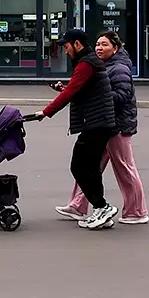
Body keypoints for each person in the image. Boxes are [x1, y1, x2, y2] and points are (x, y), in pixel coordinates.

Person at [57, 31, 148, 224]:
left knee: (124, 168)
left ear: (115, 48)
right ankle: (77, 205)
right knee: (89, 166)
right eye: (98, 44)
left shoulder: (120, 68)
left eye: (105, 44)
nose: (99, 47)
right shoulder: (101, 65)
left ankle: (137, 212)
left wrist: (99, 97)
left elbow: (122, 95)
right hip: (102, 123)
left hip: (118, 125)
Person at [40, 28, 119, 230]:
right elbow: (80, 89)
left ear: (77, 44)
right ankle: (101, 210)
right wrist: (64, 89)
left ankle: (102, 207)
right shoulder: (88, 61)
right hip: (98, 122)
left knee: (80, 166)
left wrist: (46, 112)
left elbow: (73, 91)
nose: (65, 51)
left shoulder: (86, 63)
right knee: (89, 167)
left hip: (97, 123)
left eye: (66, 46)